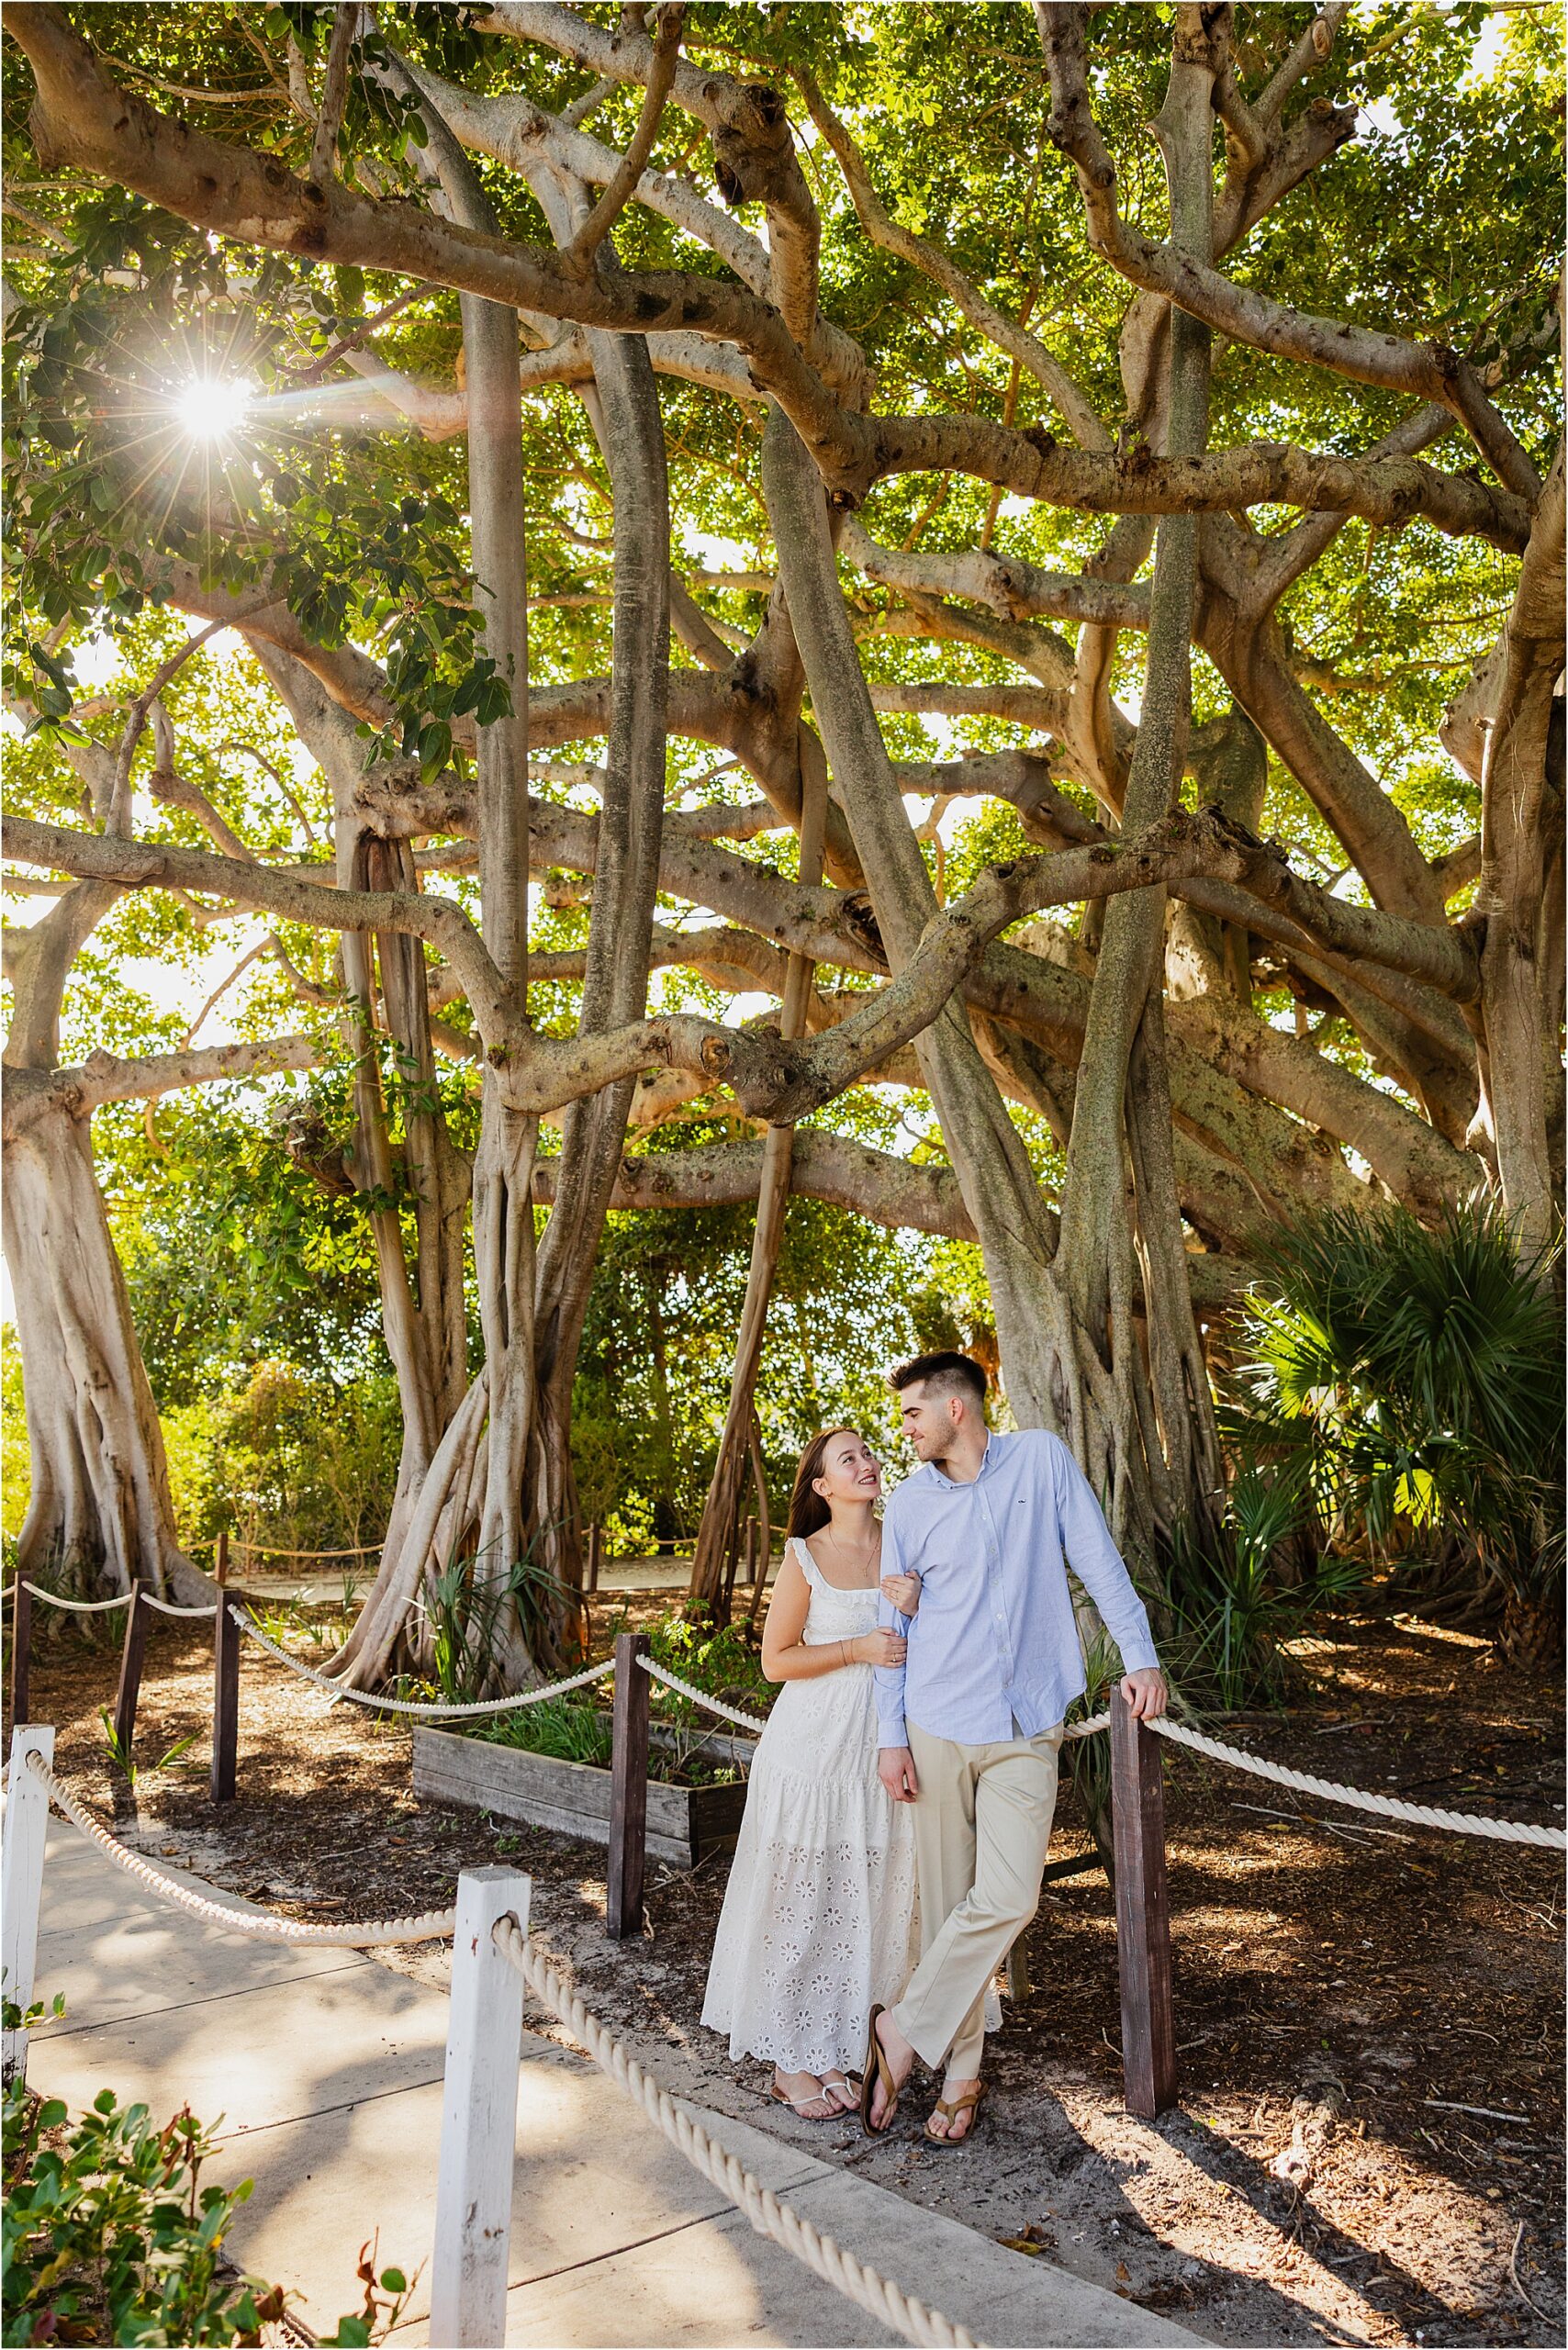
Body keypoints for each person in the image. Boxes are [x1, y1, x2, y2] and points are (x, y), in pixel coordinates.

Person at [861, 1351, 1168, 2147]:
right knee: (949, 1903)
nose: (905, 1427)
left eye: (911, 1413)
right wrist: (891, 1737)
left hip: (1026, 1719)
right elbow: (894, 1635)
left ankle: (899, 2033)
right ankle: (960, 2074)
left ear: (955, 1409)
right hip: (935, 1722)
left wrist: (1140, 1655)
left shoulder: (1042, 1461)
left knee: (1007, 1897)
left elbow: (1096, 1555)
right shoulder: (911, 1507)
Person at [701, 1427, 924, 2120]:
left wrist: (919, 1608)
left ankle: (844, 2039)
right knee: (803, 1899)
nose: (866, 1463)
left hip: (886, 1749)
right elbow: (777, 1661)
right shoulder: (805, 1555)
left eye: (868, 1452)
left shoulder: (908, 1539)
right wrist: (857, 1647)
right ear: (822, 1486)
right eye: (847, 1459)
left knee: (873, 1893)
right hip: (812, 1755)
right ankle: (792, 2057)